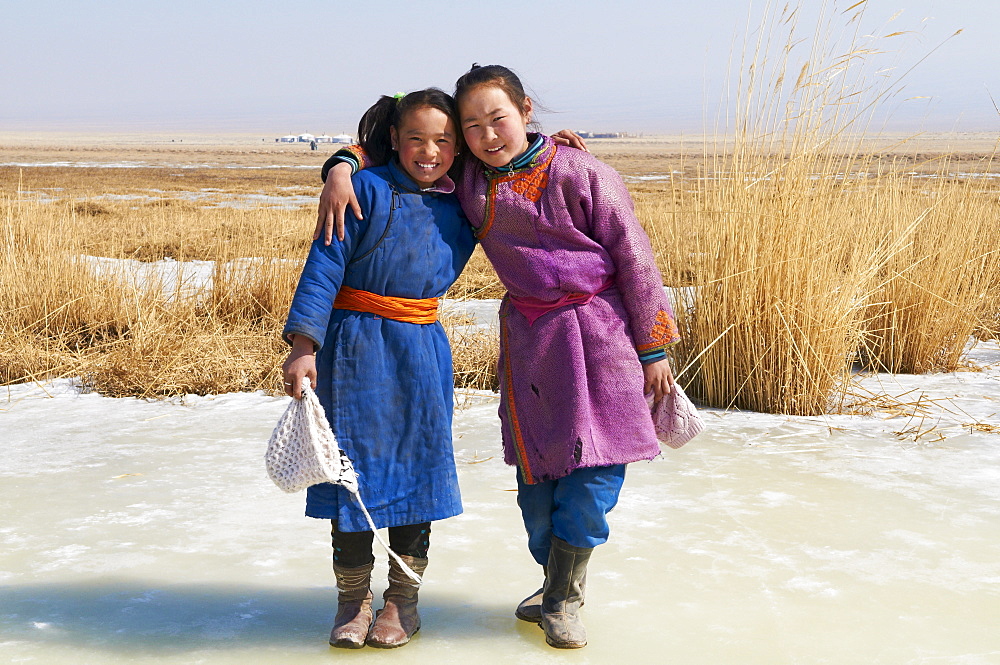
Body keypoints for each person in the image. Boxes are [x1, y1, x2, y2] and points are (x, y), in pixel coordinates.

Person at [317, 65, 681, 650]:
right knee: (538, 487)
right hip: (533, 345)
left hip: (603, 337)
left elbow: (635, 257)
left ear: (526, 110)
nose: (488, 136)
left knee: (595, 474)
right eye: (474, 127)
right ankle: (551, 579)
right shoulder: (473, 183)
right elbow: (411, 146)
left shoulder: (585, 172)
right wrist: (342, 163)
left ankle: (565, 599)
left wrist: (653, 346)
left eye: (499, 119)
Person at [281, 88, 476, 649]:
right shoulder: (363, 189)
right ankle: (353, 599)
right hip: (354, 352)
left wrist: (551, 148)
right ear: (394, 139)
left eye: (443, 140)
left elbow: (514, 172)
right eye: (415, 138)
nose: (429, 151)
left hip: (421, 353)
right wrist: (303, 347)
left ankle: (402, 602)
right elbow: (324, 267)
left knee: (418, 477)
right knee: (351, 475)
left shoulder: (464, 200)